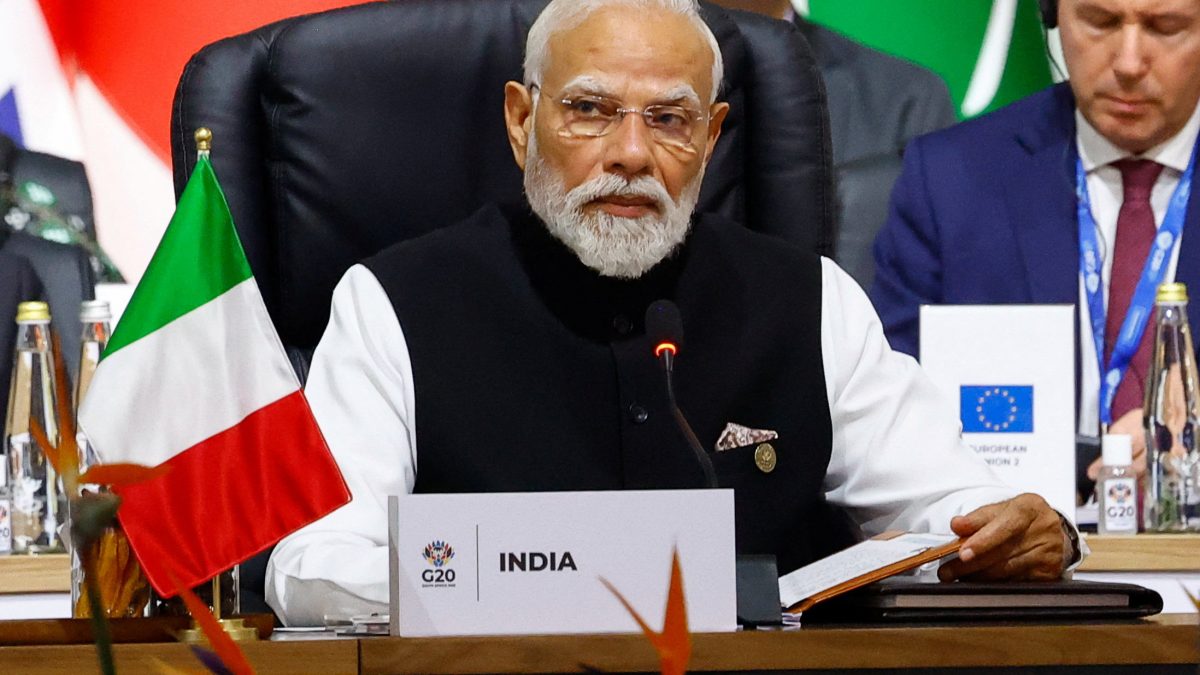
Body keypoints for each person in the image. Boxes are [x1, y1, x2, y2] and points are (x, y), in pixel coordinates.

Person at [267, 0, 1076, 627]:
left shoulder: (812, 300)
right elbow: (312, 565)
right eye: (589, 109)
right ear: (522, 122)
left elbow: (950, 505)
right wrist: (555, 575)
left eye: (668, 118)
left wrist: (1019, 527)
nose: (629, 152)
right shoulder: (393, 304)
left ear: (713, 135)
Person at [870, 0, 1200, 497]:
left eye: (1166, 27)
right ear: (1052, 15)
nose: (1129, 62)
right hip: (1020, 547)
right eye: (1101, 22)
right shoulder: (951, 178)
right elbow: (892, 407)